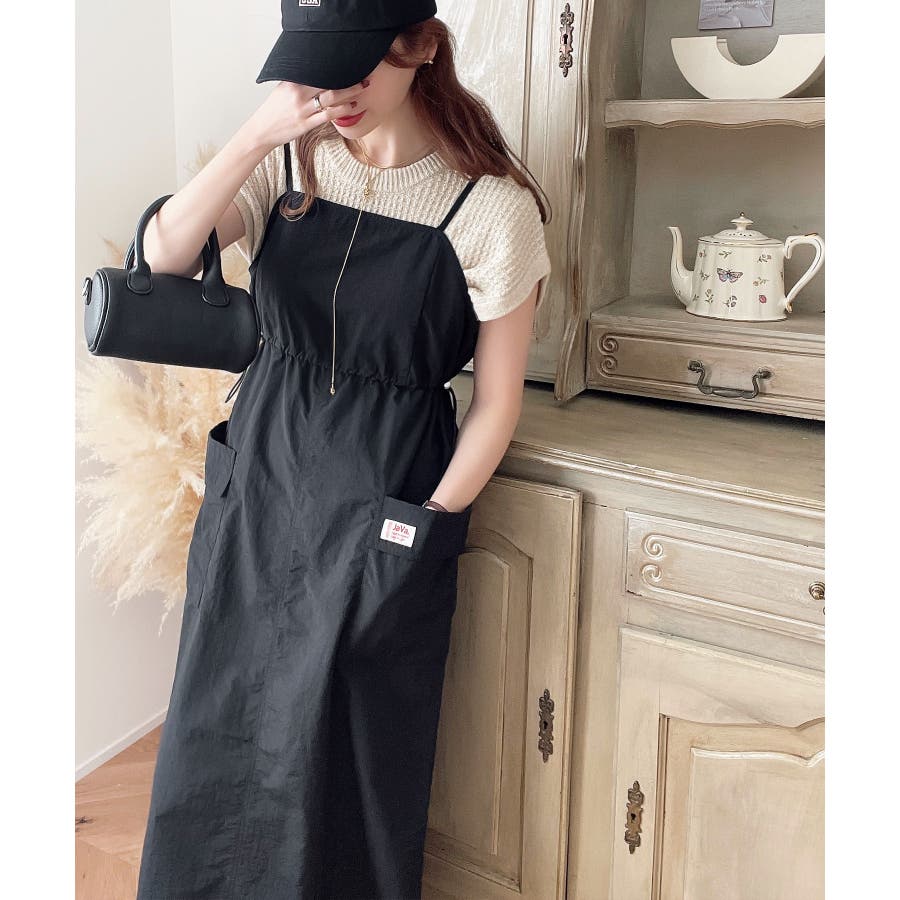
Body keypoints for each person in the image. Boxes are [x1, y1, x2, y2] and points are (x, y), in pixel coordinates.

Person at [136, 2, 551, 897]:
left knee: (350, 749)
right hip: (261, 480)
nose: (335, 94)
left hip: (385, 495)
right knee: (220, 718)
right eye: (316, 70)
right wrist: (256, 134)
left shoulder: (494, 211)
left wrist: (423, 525)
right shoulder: (290, 163)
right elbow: (164, 255)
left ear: (422, 47)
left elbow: (497, 402)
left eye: (357, 67)